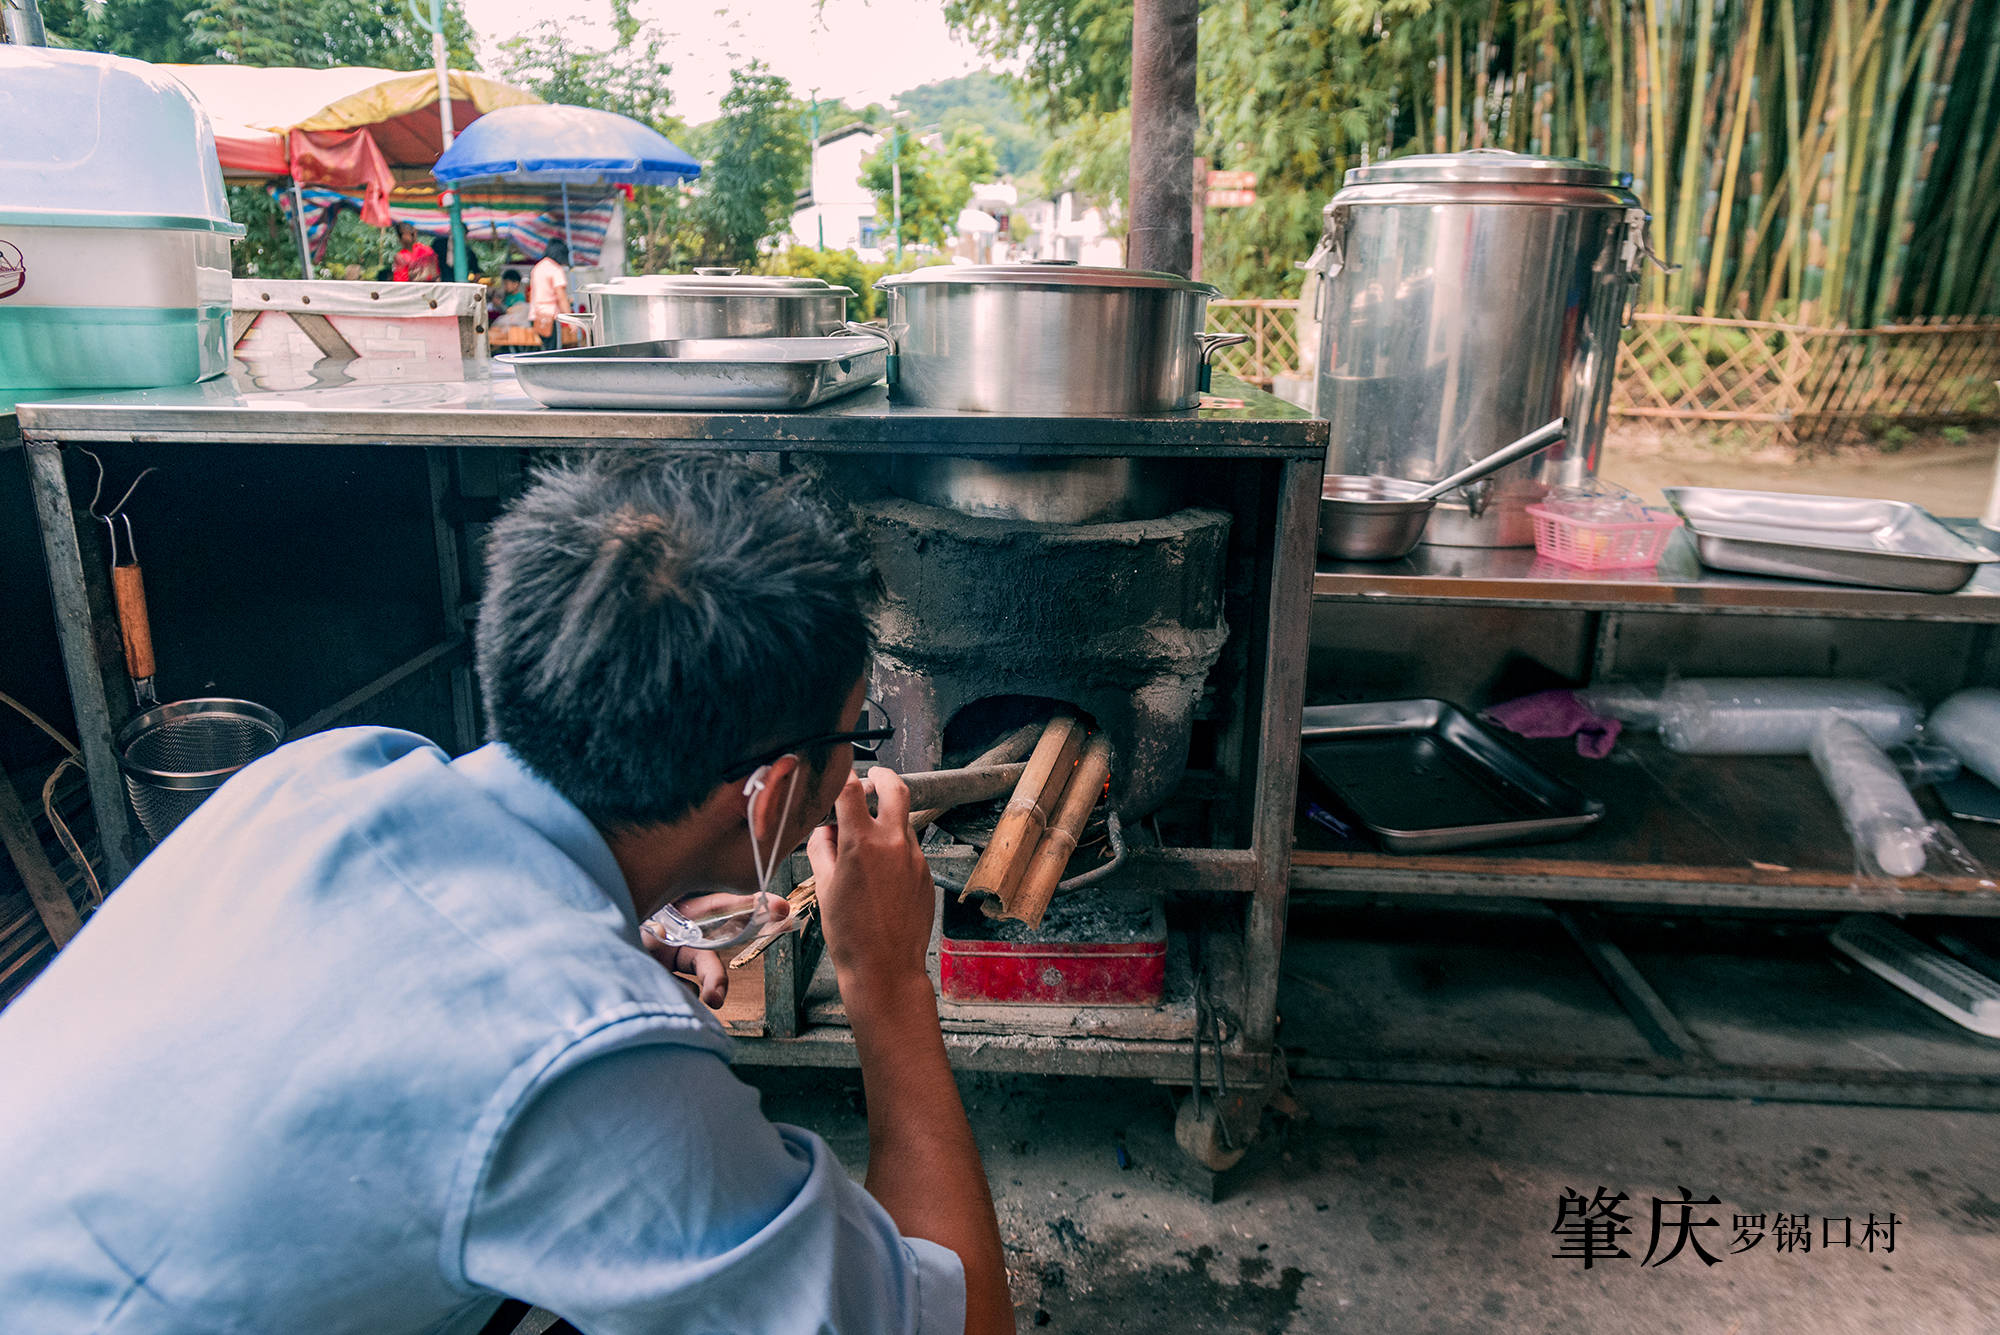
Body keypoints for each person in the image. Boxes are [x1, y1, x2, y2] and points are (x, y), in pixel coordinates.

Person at [0, 453, 1012, 1335]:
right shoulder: (595, 1065)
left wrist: (613, 950)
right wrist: (885, 982)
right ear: (777, 789)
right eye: (850, 746)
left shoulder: (326, 774)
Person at [529, 238, 572, 350]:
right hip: (550, 317)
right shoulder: (556, 270)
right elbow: (561, 297)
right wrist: (571, 320)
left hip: (535, 316)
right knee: (553, 352)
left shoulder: (538, 267)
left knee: (542, 351)